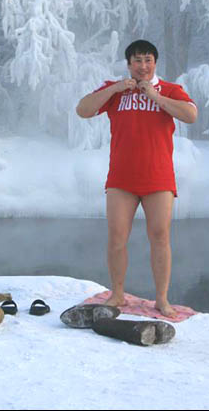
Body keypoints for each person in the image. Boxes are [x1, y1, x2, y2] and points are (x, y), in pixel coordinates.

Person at [75, 40, 197, 317]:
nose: (143, 66)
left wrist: (156, 98)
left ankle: (162, 299)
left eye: (148, 60)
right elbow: (83, 110)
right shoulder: (117, 91)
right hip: (121, 178)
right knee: (117, 236)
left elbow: (190, 115)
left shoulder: (169, 89)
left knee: (160, 236)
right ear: (129, 64)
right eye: (138, 61)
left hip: (158, 178)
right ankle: (117, 294)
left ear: (155, 62)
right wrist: (115, 88)